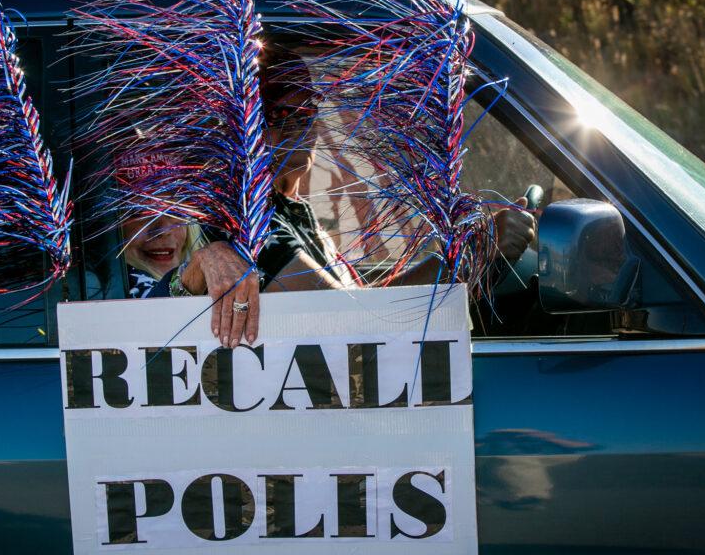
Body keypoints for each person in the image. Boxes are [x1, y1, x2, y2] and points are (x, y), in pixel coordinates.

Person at [161, 43, 537, 345]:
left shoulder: (290, 210)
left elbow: (357, 299)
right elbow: (354, 323)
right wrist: (475, 251)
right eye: (278, 114)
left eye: (308, 108)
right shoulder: (247, 228)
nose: (301, 124)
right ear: (241, 127)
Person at [121, 215, 203, 298]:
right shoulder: (122, 288)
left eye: (174, 212)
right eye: (141, 213)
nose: (164, 231)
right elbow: (150, 307)